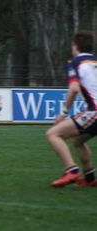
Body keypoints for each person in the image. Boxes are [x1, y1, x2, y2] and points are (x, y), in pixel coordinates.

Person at [46, 31, 97, 187]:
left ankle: (71, 170)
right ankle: (89, 177)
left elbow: (74, 88)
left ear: (75, 46)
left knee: (53, 134)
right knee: (78, 140)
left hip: (94, 111)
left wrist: (63, 113)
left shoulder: (74, 62)